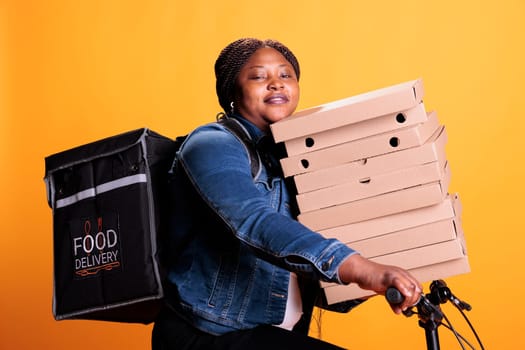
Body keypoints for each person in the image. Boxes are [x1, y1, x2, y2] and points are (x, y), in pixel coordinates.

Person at [152, 38, 422, 350]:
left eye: (285, 75)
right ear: (231, 91)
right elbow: (253, 222)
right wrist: (362, 268)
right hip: (208, 335)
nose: (275, 85)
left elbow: (301, 275)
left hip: (273, 334)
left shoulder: (293, 161)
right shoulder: (212, 143)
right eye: (258, 77)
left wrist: (378, 282)